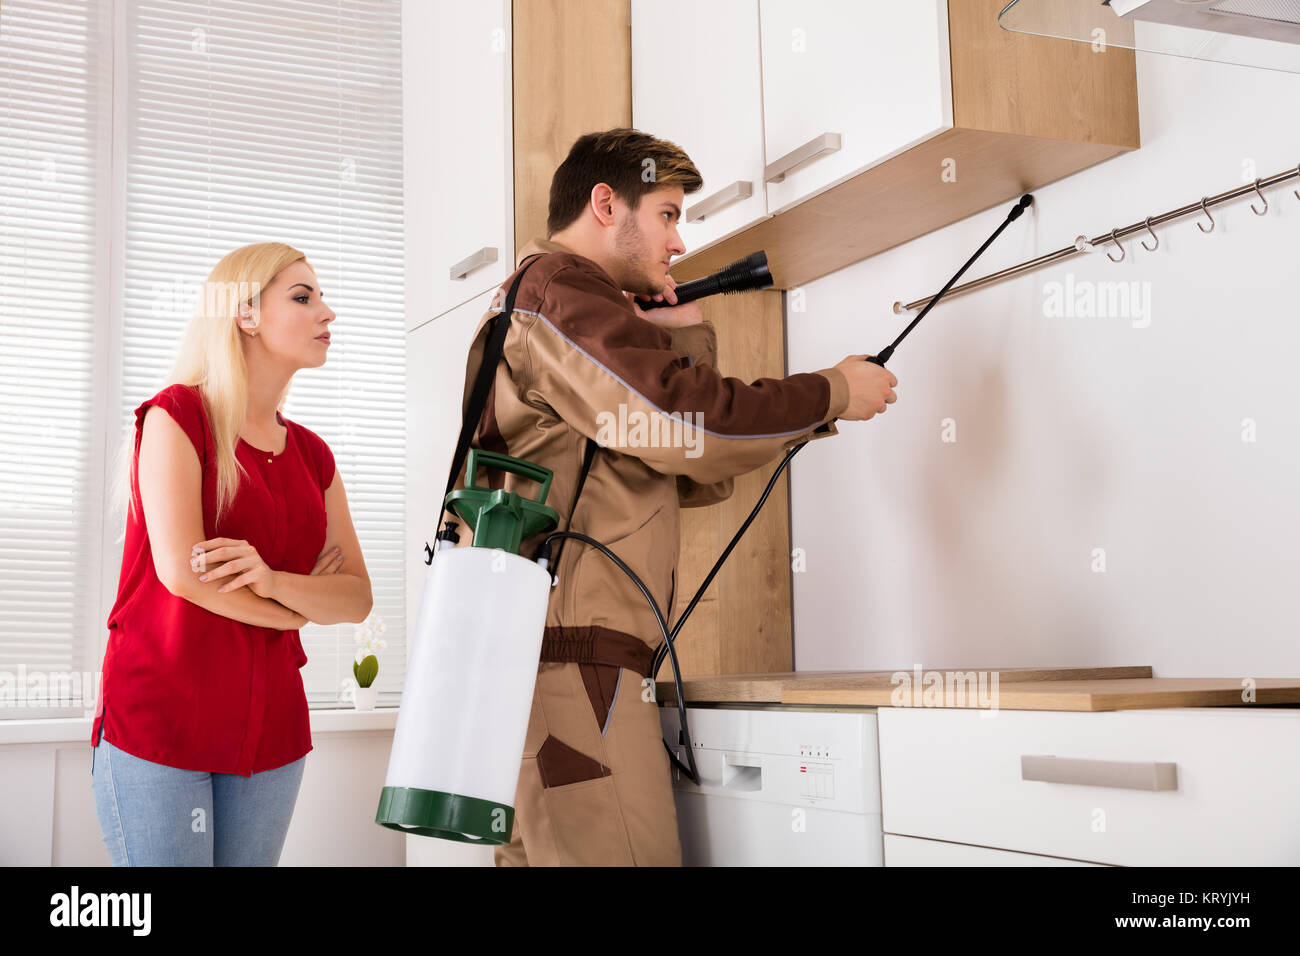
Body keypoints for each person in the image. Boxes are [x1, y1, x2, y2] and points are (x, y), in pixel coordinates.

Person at [443, 128, 898, 866]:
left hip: (549, 663)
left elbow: (686, 473)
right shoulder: (557, 292)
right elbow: (680, 422)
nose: (679, 242)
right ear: (604, 203)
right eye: (667, 213)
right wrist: (833, 391)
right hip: (572, 672)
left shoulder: (548, 301)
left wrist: (684, 340)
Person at [90, 242, 373, 866]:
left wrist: (269, 580)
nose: (329, 312)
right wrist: (301, 606)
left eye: (321, 296)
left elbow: (355, 597)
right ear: (244, 314)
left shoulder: (313, 455)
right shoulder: (175, 416)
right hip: (162, 720)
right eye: (303, 297)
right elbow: (185, 576)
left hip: (270, 730)